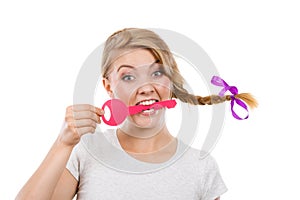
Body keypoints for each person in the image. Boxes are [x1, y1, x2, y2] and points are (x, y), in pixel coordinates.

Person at [16, 28, 257, 200]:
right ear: (108, 86)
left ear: (170, 82)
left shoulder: (200, 166)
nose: (146, 88)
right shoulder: (86, 151)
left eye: (156, 73)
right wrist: (62, 144)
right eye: (128, 77)